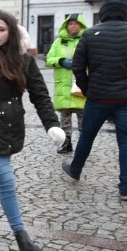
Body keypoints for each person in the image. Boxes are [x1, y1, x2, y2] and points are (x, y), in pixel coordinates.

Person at [0, 11, 65, 251]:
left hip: (11, 126)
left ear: (11, 32)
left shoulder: (24, 61)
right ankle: (23, 240)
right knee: (7, 181)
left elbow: (40, 94)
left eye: (1, 29)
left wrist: (51, 124)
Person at [61, 0, 127, 201]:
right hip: (126, 98)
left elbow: (77, 66)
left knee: (87, 136)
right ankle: (126, 187)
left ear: (103, 12)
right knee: (126, 142)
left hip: (97, 97)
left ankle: (75, 170)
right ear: (125, 12)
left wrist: (86, 89)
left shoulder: (90, 33)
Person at [45, 14, 89, 154]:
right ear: (66, 26)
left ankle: (84, 145)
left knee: (84, 119)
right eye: (70, 24)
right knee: (65, 118)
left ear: (81, 26)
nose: (73, 26)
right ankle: (66, 143)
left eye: (76, 24)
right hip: (63, 86)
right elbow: (49, 59)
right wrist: (61, 60)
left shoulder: (86, 41)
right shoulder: (59, 42)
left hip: (80, 85)